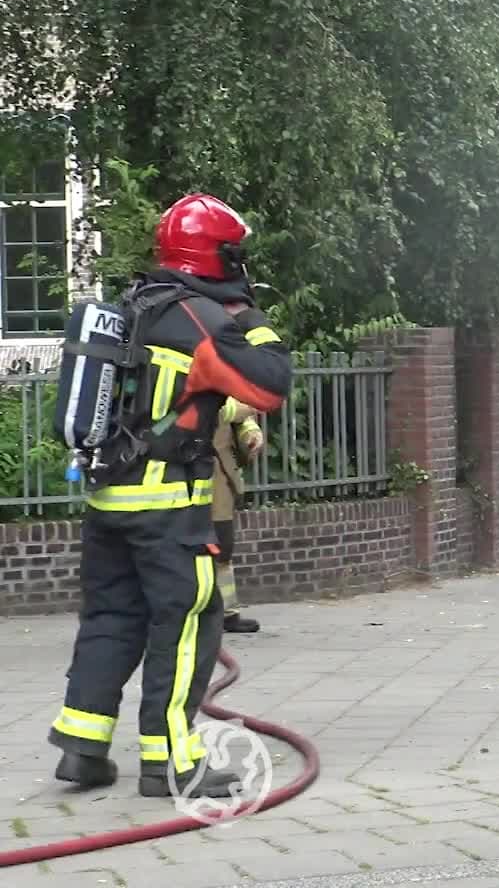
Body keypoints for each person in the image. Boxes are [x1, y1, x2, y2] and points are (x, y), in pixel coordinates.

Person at [48, 194, 292, 799]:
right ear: (217, 254)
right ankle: (172, 763)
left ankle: (82, 748)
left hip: (109, 501)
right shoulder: (202, 321)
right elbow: (270, 385)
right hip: (168, 507)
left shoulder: (132, 304)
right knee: (188, 622)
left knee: (110, 618)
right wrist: (251, 318)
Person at [211, 396, 267, 634]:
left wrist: (251, 436)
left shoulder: (225, 377)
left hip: (218, 478)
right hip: (182, 476)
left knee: (223, 546)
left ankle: (228, 613)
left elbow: (244, 421)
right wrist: (237, 409)